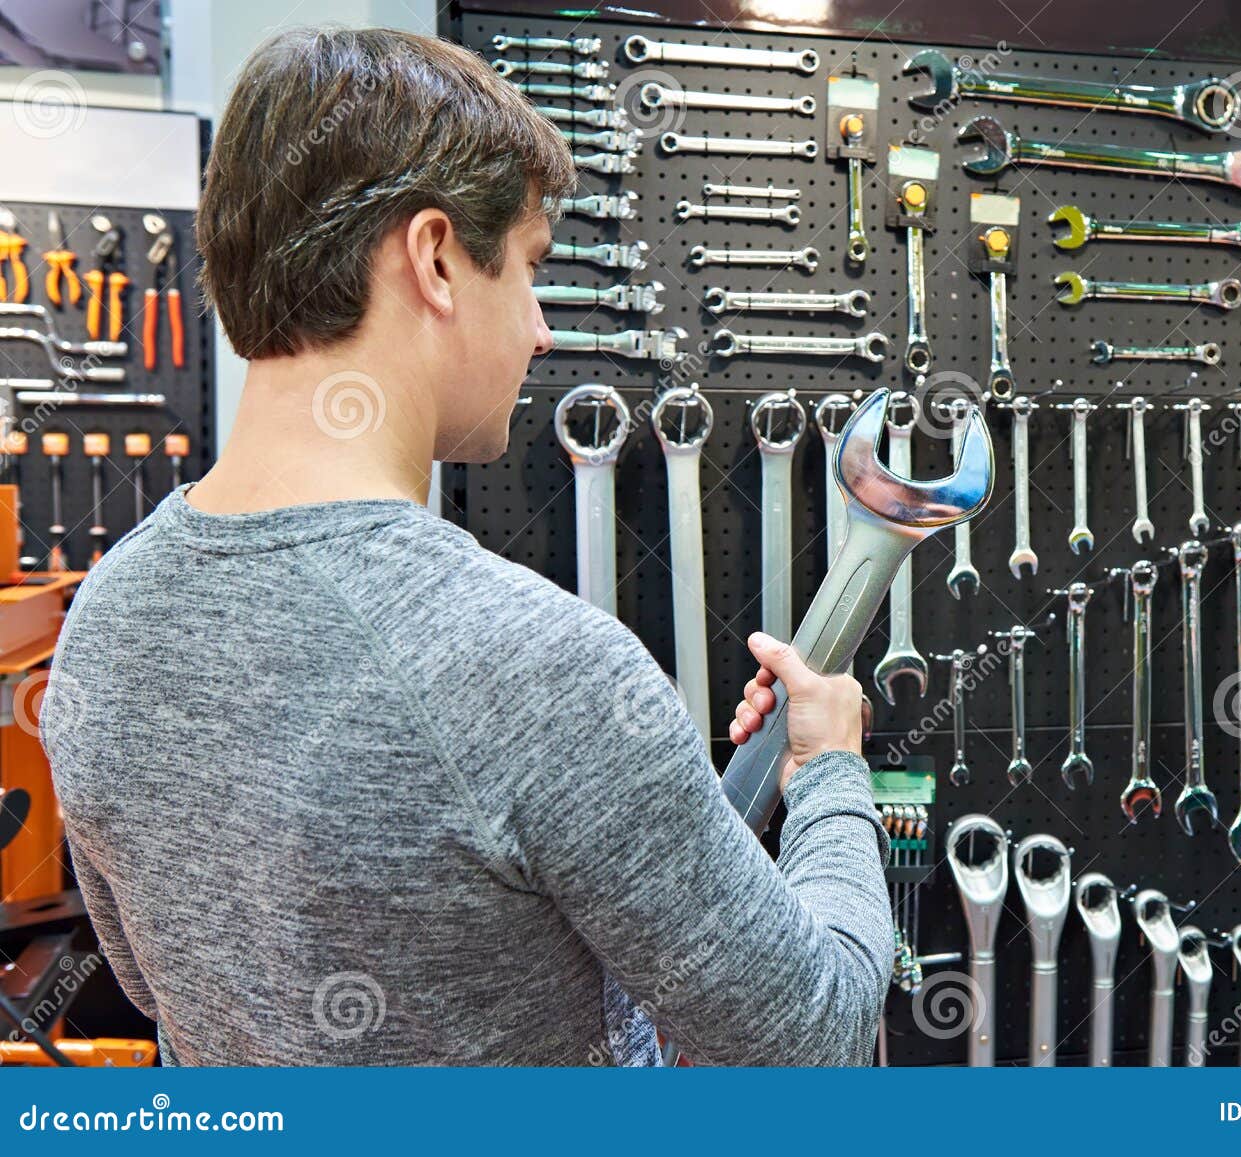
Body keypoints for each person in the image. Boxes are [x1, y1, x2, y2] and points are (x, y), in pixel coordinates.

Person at [40, 26, 892, 1066]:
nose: (540, 329)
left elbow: (154, 984)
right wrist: (831, 769)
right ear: (436, 258)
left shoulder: (106, 620)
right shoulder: (543, 666)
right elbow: (816, 1039)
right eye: (530, 267)